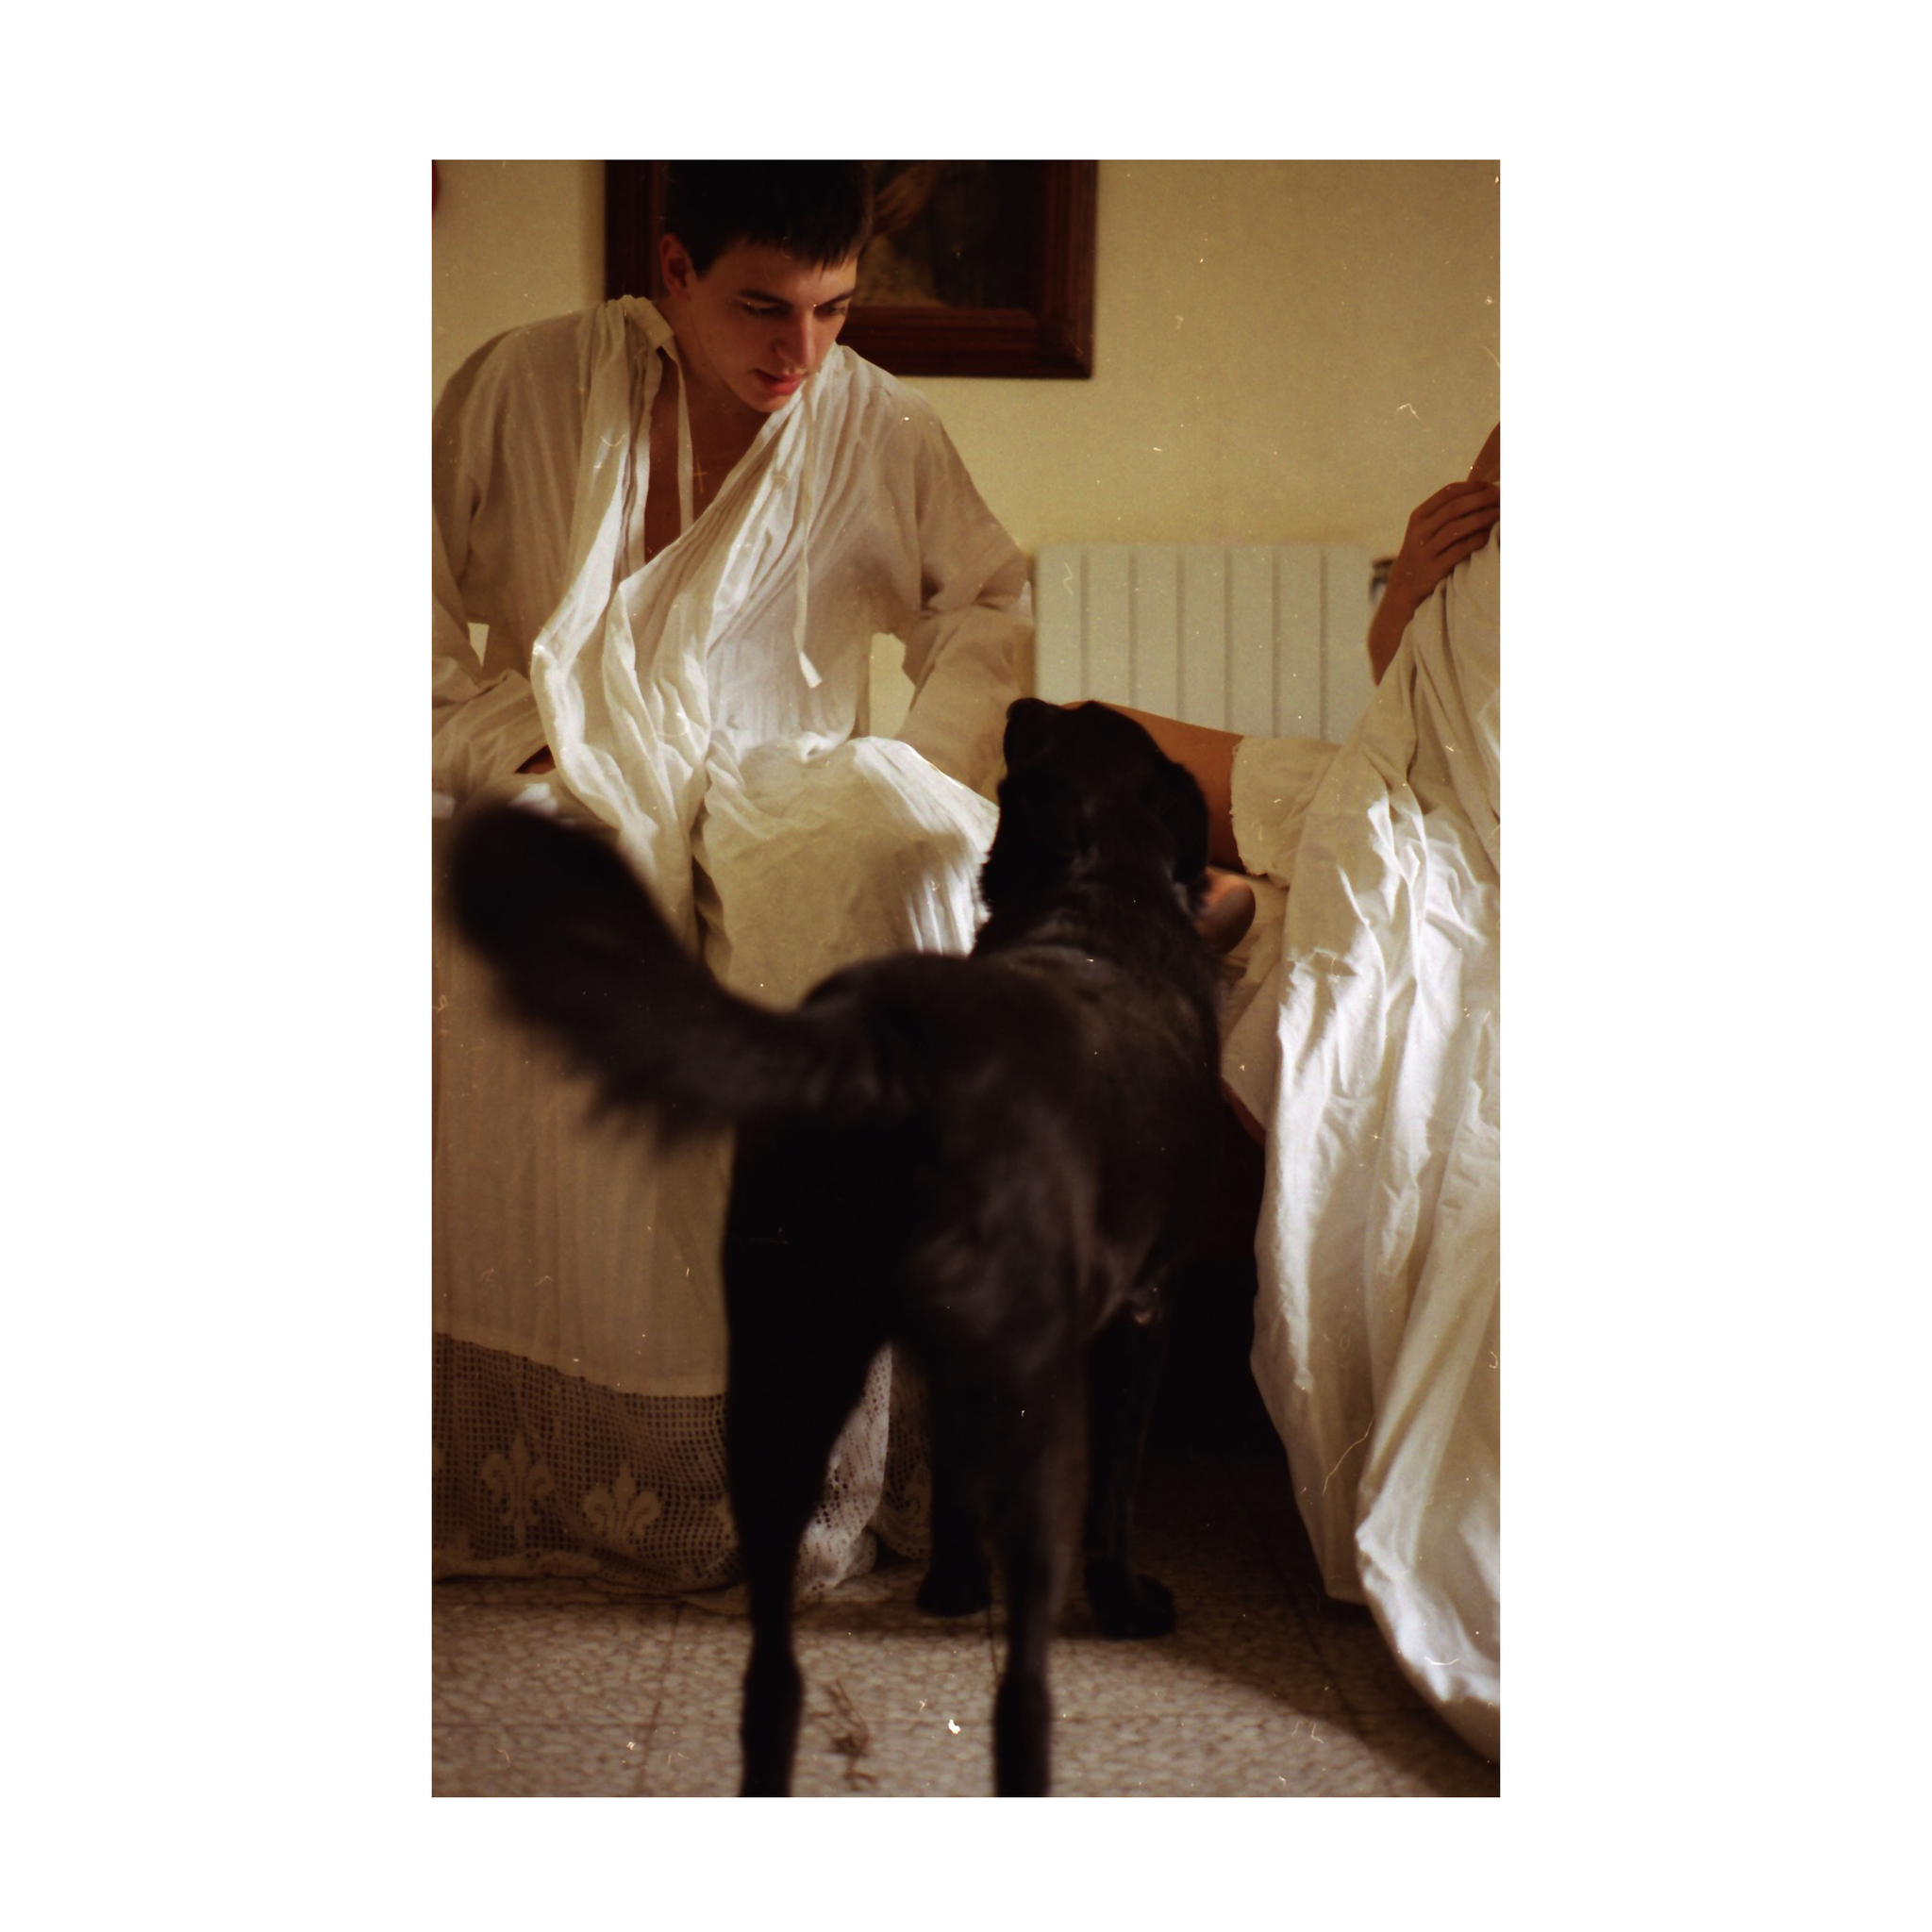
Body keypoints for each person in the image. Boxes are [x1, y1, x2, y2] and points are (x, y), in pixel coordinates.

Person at [432, 164, 1032, 1599]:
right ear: (673, 267)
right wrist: (487, 734)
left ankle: (813, 1463)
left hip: (782, 774)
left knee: (885, 863)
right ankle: (559, 1464)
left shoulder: (878, 420)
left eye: (835, 310)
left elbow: (989, 598)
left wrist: (933, 771)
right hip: (559, 757)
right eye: (763, 306)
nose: (799, 350)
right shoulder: (521, 382)